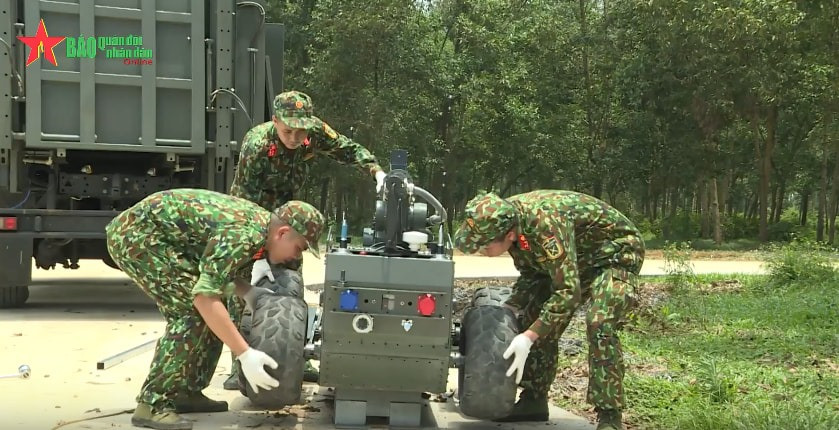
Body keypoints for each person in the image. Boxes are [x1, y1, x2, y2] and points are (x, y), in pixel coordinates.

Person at [105, 188, 325, 430]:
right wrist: (244, 353)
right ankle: (152, 404)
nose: (296, 257)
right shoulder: (244, 235)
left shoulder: (260, 235)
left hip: (169, 240)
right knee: (192, 313)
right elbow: (204, 296)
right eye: (299, 248)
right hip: (139, 236)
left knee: (214, 316)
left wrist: (248, 292)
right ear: (282, 233)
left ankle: (186, 393)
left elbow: (222, 278)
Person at [223, 89, 386, 388]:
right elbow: (245, 202)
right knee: (244, 290)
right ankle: (240, 362)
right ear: (275, 121)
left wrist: (376, 171)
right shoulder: (257, 145)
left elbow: (347, 149)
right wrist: (258, 253)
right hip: (253, 216)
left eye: (302, 130)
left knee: (292, 282)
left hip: (291, 217)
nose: (296, 137)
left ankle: (296, 355)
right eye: (288, 131)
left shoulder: (314, 132)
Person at [452, 190, 644, 430]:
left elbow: (568, 292)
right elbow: (533, 273)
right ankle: (534, 400)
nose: (480, 250)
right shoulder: (506, 218)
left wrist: (529, 336)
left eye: (483, 245)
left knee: (600, 323)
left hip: (612, 255)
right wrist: (511, 308)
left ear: (509, 235)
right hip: (573, 260)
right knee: (534, 317)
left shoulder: (546, 227)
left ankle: (609, 416)